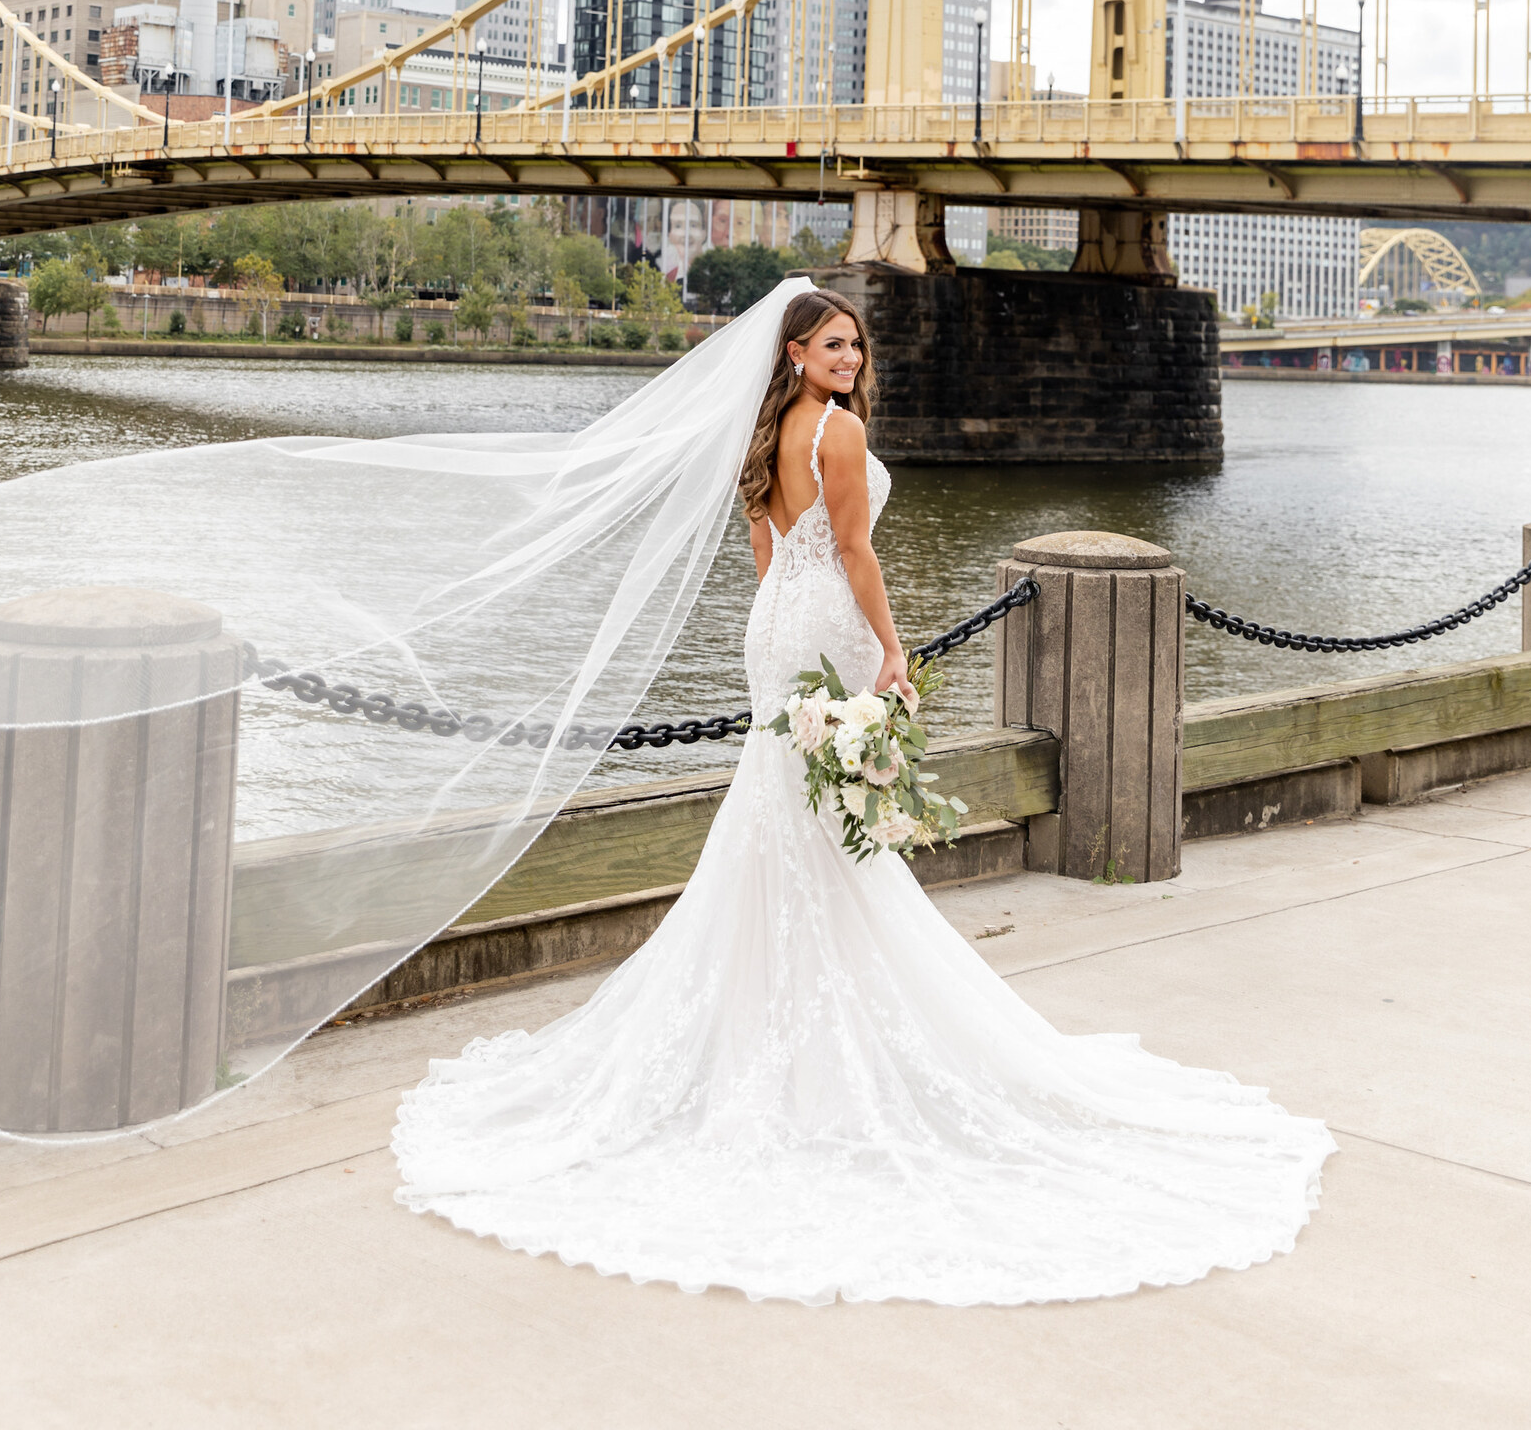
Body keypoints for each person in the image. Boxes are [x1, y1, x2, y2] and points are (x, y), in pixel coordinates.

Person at [390, 283, 1335, 1305]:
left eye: (856, 342)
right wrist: (888, 648)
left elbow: (768, 550)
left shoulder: (769, 433)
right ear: (795, 351)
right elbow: (853, 550)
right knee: (821, 819)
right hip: (825, 622)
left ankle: (767, 1018)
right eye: (833, 343)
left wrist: (788, 632)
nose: (850, 354)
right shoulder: (835, 430)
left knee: (785, 814)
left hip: (774, 630)